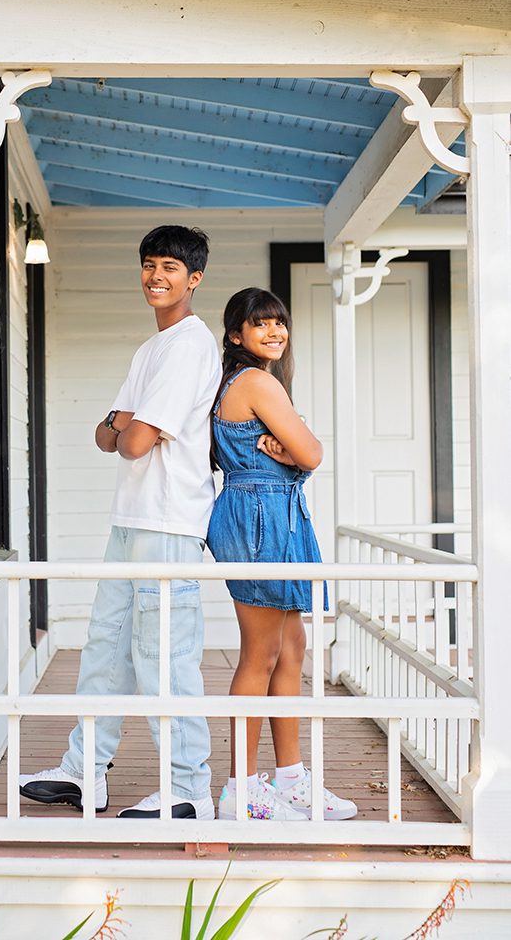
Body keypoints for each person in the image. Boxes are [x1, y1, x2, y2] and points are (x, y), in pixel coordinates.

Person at [19, 226, 221, 819]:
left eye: (171, 267)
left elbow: (128, 441)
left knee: (165, 657)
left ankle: (188, 791)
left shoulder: (189, 346)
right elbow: (107, 434)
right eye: (150, 264)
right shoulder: (151, 349)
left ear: (195, 278)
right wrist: (123, 426)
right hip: (131, 518)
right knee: (106, 650)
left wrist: (123, 426)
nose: (156, 276)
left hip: (169, 522)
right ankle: (85, 772)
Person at [207, 287, 357, 822]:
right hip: (259, 518)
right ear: (236, 335)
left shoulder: (249, 381)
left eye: (279, 322)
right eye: (260, 323)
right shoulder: (254, 381)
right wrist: (296, 457)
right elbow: (311, 451)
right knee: (261, 652)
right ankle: (241, 790)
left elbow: (300, 455)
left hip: (270, 512)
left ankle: (291, 780)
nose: (274, 331)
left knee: (292, 646)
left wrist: (293, 458)